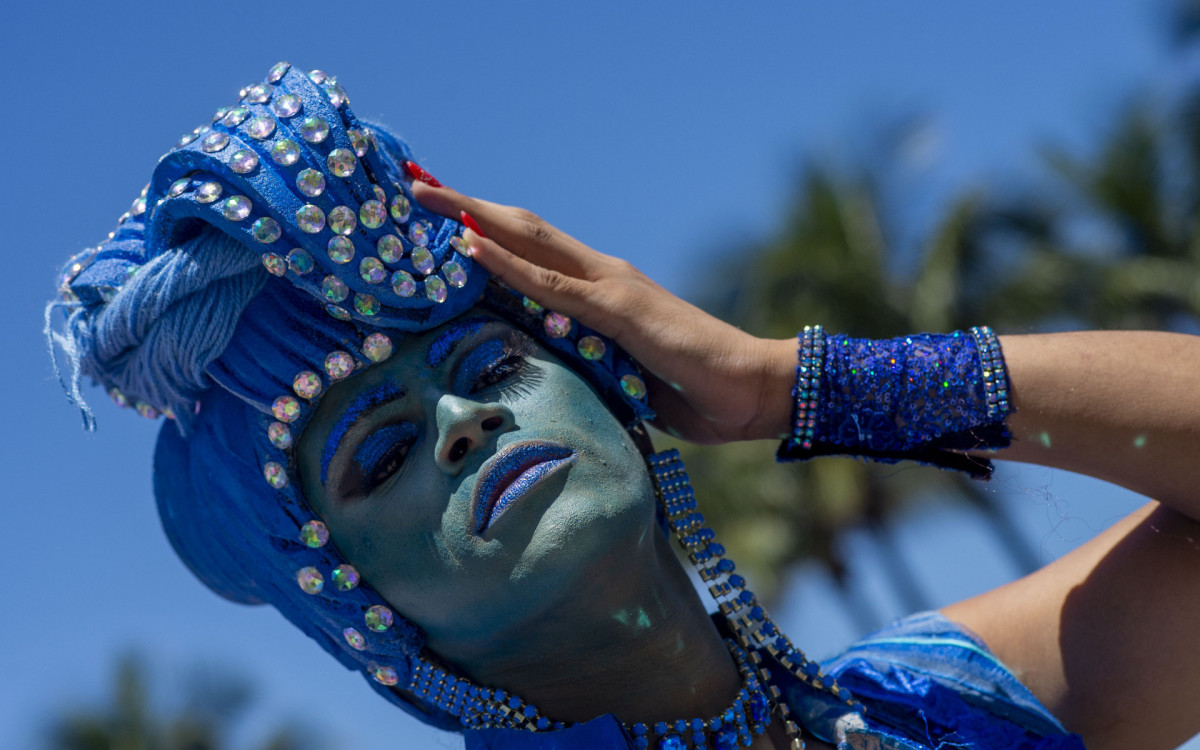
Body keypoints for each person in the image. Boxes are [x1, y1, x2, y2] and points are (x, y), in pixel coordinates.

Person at [45, 63, 1200, 750]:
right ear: (358, 607)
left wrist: (778, 384)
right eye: (384, 456)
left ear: (611, 392)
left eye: (494, 371)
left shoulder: (918, 709)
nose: (464, 426)